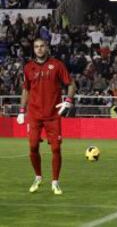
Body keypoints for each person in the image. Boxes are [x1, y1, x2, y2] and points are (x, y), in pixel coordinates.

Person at [16, 38, 76, 195]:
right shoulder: (28, 67)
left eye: (42, 46)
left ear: (47, 47)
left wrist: (68, 100)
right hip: (34, 115)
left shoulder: (57, 65)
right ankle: (38, 176)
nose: (39, 49)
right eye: (36, 47)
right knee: (33, 146)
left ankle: (55, 182)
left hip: (53, 115)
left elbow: (71, 84)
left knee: (56, 148)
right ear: (34, 49)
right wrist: (22, 110)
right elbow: (26, 90)